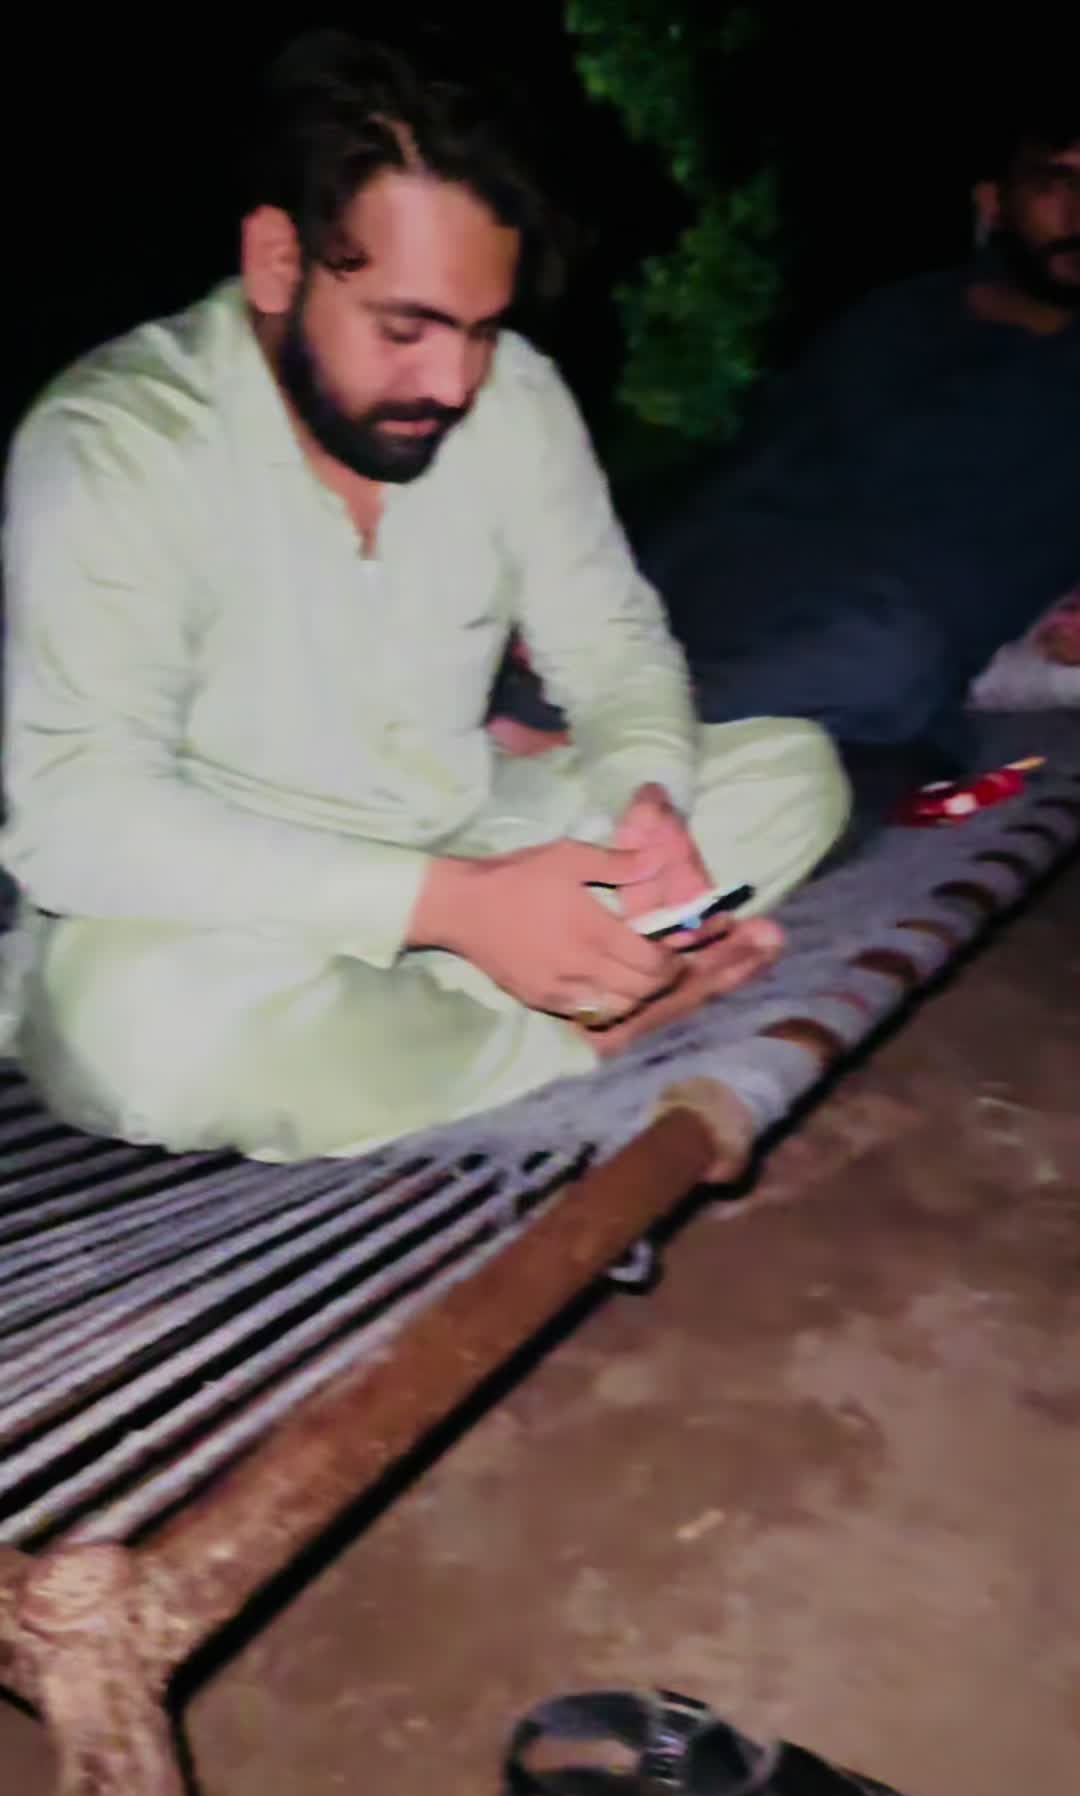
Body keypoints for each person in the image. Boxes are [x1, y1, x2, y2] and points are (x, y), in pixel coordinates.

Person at [0, 33, 847, 1162]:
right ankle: (571, 1035)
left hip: (472, 828)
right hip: (223, 912)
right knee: (140, 1032)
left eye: (480, 331)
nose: (451, 384)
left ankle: (442, 1025)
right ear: (277, 261)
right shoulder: (118, 440)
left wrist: (646, 802)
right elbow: (80, 813)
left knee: (793, 773)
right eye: (404, 329)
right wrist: (450, 906)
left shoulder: (517, 401)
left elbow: (612, 646)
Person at [608, 116, 1080, 795]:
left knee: (885, 666)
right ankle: (616, 719)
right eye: (1055, 182)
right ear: (993, 203)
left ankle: (620, 732)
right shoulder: (895, 321)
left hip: (888, 652)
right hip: (753, 580)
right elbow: (750, 473)